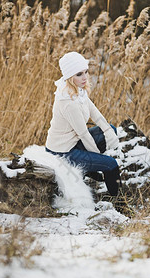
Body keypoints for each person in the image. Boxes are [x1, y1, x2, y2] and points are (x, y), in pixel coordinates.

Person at [45, 52, 121, 196]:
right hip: (63, 152)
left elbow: (95, 113)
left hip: (74, 142)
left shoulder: (78, 90)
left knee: (110, 129)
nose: (85, 77)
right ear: (69, 77)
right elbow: (84, 134)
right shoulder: (67, 101)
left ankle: (88, 168)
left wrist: (109, 132)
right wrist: (100, 159)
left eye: (86, 72)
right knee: (111, 165)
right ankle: (121, 204)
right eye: (79, 74)